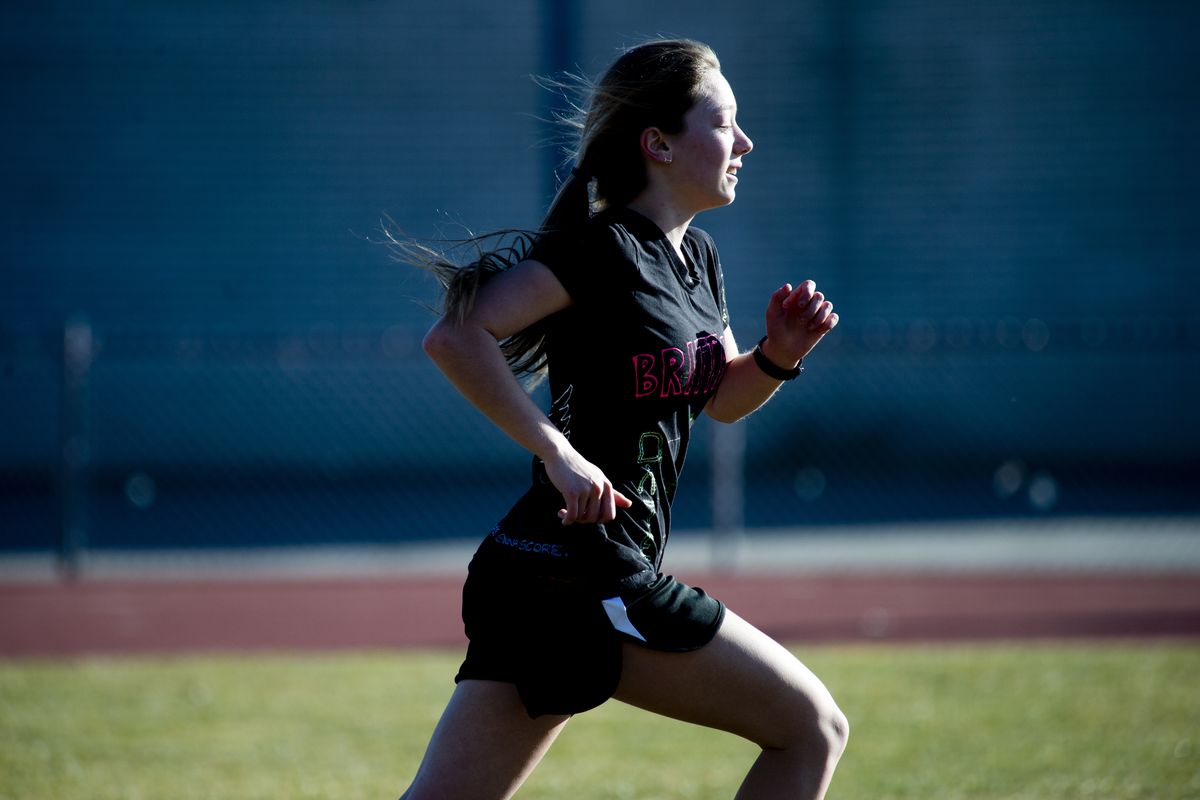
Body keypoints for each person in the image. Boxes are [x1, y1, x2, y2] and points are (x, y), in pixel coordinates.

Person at [396, 38, 847, 800]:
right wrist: (559, 454)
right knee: (813, 728)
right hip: (581, 573)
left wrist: (777, 355)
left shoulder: (698, 258)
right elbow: (456, 336)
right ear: (658, 144)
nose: (745, 143)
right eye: (724, 123)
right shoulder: (604, 249)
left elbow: (722, 400)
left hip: (542, 575)